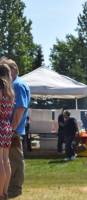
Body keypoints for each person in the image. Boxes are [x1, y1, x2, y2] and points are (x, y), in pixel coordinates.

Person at [0, 57, 30, 199]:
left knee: (15, 160)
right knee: (8, 160)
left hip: (12, 129)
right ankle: (8, 190)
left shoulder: (17, 85)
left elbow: (20, 109)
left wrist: (12, 129)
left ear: (12, 70)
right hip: (10, 128)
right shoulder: (13, 86)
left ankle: (14, 189)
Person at [0, 63, 15, 200]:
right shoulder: (10, 91)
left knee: (0, 161)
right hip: (6, 126)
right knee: (6, 160)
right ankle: (4, 192)